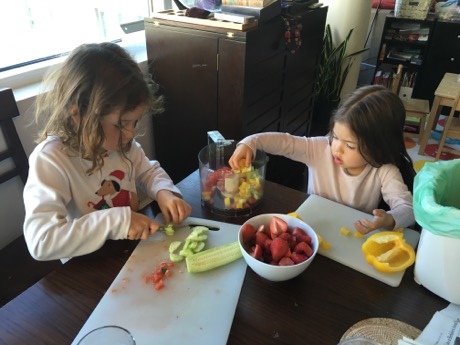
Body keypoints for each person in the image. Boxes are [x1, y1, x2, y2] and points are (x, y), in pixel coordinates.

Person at [23, 42, 192, 261]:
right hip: (88, 266)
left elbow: (148, 173)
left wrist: (164, 193)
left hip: (132, 251)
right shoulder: (51, 159)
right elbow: (41, 242)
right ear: (79, 114)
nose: (130, 133)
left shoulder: (123, 147)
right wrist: (117, 222)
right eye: (121, 124)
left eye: (135, 122)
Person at [229, 85, 415, 234]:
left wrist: (389, 218)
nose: (336, 148)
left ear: (378, 146)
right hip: (310, 229)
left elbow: (409, 209)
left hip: (350, 238)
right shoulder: (320, 149)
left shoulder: (385, 171)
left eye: (349, 146)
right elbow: (285, 142)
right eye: (335, 136)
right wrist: (251, 142)